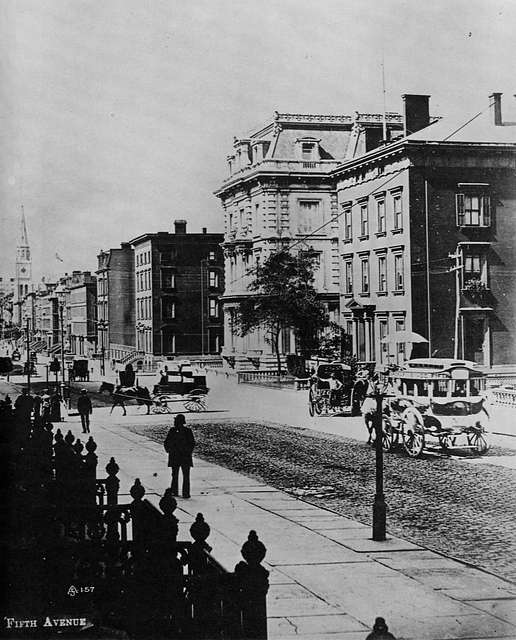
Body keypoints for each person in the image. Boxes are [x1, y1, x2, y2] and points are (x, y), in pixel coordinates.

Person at [163, 414, 195, 499]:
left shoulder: (177, 431)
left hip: (180, 456)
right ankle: (182, 492)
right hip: (181, 456)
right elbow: (167, 442)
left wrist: (170, 450)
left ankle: (179, 492)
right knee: (180, 476)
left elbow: (192, 443)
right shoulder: (183, 431)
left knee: (179, 476)